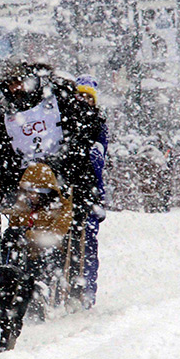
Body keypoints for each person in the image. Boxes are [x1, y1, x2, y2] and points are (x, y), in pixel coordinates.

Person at [0, 59, 101, 350]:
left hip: (62, 182)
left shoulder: (59, 99)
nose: (14, 89)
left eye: (18, 82)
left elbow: (82, 138)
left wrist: (70, 172)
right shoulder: (5, 114)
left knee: (59, 236)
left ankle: (66, 287)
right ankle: (24, 289)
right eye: (8, 85)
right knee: (20, 237)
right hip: (27, 186)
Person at [75, 75, 108, 308]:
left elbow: (99, 159)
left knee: (87, 241)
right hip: (68, 188)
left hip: (88, 190)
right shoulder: (63, 120)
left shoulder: (97, 123)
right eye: (80, 95)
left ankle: (87, 290)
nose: (84, 100)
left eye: (89, 97)